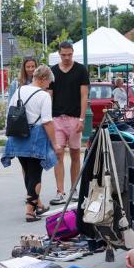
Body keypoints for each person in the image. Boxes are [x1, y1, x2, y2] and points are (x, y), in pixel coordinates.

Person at [1, 65, 59, 222]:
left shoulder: (19, 90)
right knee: (35, 174)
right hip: (35, 137)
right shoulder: (44, 96)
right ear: (43, 79)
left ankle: (37, 204)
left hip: (17, 137)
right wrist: (55, 143)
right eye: (49, 82)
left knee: (27, 172)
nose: (49, 86)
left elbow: (10, 113)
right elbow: (47, 122)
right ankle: (29, 211)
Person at [49, 41, 89, 206]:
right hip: (56, 118)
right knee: (58, 154)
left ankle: (74, 189)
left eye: (69, 54)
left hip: (74, 118)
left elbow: (84, 96)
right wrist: (47, 119)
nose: (67, 57)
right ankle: (60, 191)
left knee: (74, 154)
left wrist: (82, 119)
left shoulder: (80, 70)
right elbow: (49, 95)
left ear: (73, 53)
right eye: (64, 55)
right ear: (59, 54)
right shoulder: (53, 71)